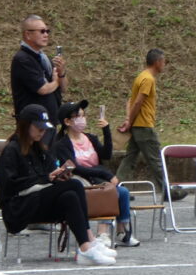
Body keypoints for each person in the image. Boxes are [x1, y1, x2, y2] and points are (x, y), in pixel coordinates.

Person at [0, 104, 115, 266]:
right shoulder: (12, 150)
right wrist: (46, 179)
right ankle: (90, 240)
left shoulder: (40, 149)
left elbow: (48, 176)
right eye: (39, 128)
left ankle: (85, 247)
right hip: (19, 207)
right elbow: (9, 185)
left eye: (44, 129)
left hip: (38, 201)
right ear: (26, 125)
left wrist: (58, 176)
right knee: (75, 185)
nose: (42, 132)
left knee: (70, 196)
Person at [53, 100, 137, 248]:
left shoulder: (90, 138)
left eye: (83, 115)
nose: (82, 119)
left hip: (97, 178)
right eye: (78, 116)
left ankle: (122, 230)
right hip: (81, 180)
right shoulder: (61, 144)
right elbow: (76, 168)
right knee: (106, 192)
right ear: (67, 121)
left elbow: (106, 155)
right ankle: (102, 233)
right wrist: (106, 175)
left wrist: (106, 130)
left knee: (123, 192)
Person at [115, 49, 185, 202]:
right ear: (157, 62)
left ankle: (115, 189)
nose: (164, 65)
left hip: (137, 126)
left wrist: (129, 120)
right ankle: (168, 191)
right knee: (156, 160)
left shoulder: (141, 76)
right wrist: (130, 121)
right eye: (163, 61)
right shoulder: (148, 79)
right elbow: (138, 102)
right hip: (144, 126)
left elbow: (130, 101)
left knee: (129, 159)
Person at [10, 14, 67, 132]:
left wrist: (61, 73)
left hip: (49, 121)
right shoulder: (23, 59)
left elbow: (64, 88)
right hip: (33, 124)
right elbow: (43, 89)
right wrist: (56, 80)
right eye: (42, 31)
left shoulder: (43, 58)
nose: (46, 35)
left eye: (47, 31)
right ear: (28, 34)